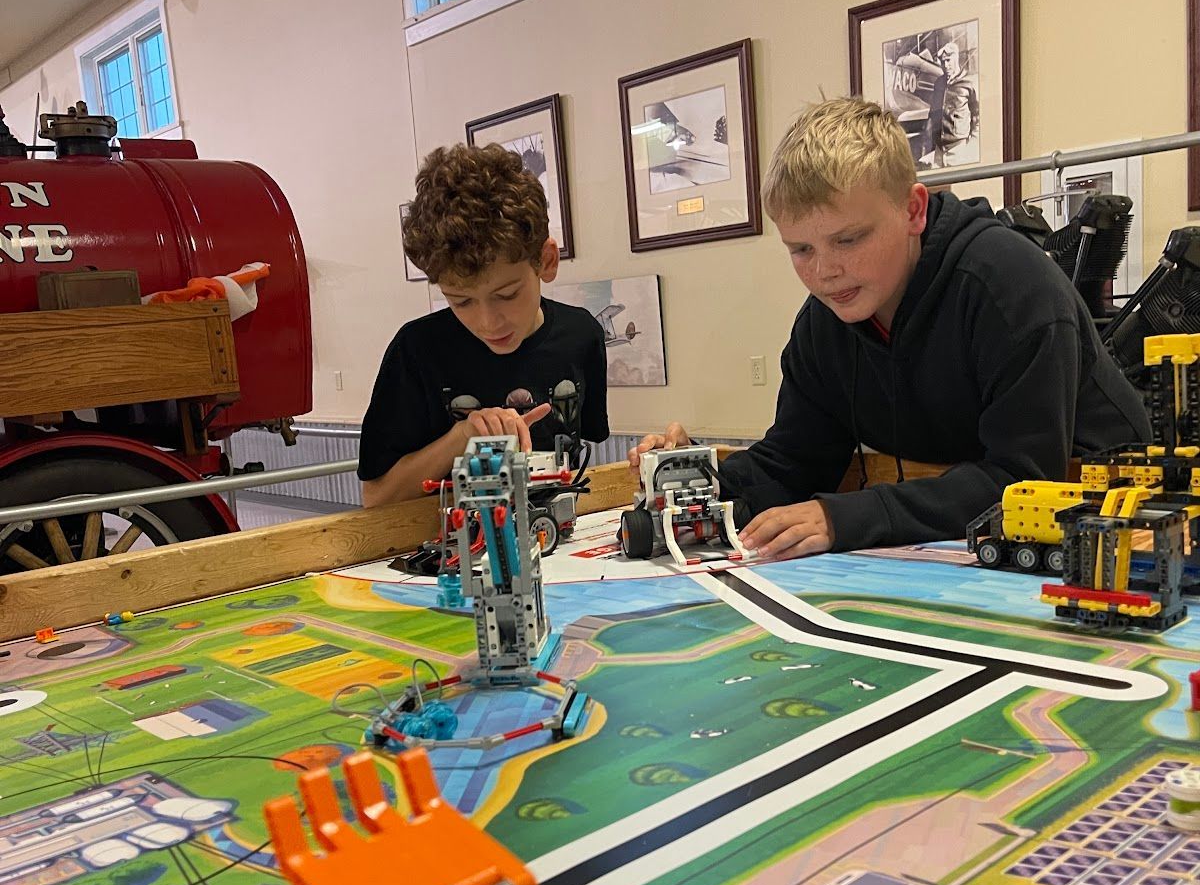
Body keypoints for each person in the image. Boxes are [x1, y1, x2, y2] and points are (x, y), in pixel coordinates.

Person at [630, 96, 1150, 561]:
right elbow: (795, 460)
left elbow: (1024, 480)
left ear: (914, 210)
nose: (824, 271)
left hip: (1112, 512)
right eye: (801, 249)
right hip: (967, 530)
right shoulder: (823, 324)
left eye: (849, 240)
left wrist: (845, 518)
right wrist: (690, 477)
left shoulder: (1011, 287)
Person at [359, 143, 608, 507]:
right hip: (454, 549)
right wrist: (462, 436)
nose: (488, 322)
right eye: (461, 301)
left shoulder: (581, 335)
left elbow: (581, 462)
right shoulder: (417, 350)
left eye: (506, 294)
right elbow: (377, 497)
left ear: (547, 261)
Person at [919, 38, 979, 167]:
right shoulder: (939, 83)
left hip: (959, 150)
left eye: (948, 61)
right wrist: (927, 146)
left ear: (956, 58)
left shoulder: (969, 83)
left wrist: (972, 144)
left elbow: (977, 116)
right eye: (942, 62)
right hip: (939, 151)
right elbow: (932, 115)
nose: (945, 66)